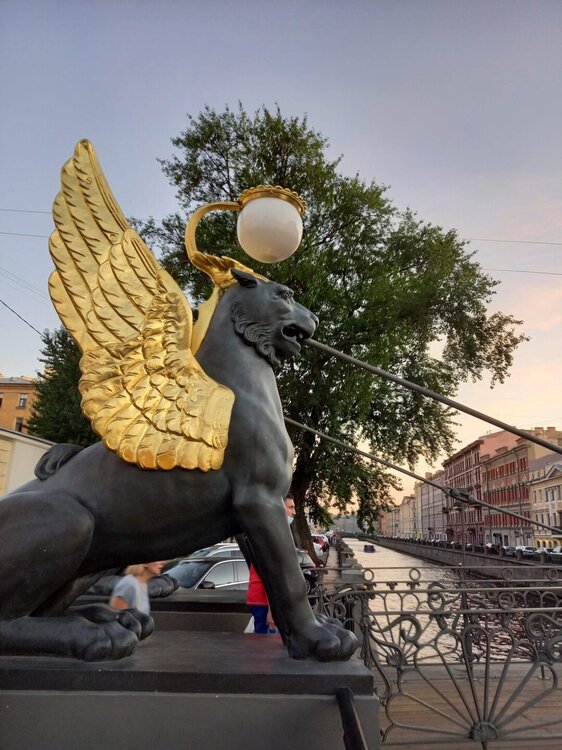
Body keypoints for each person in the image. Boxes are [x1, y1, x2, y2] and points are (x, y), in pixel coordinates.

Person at [246, 495, 296, 634]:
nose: (294, 512)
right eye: (291, 507)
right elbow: (271, 576)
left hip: (262, 601)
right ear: (279, 508)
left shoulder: (267, 532)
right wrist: (272, 610)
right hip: (265, 604)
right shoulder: (272, 537)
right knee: (267, 645)